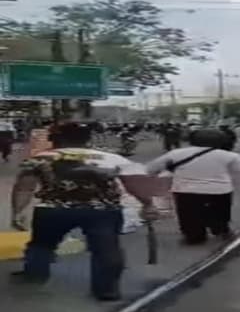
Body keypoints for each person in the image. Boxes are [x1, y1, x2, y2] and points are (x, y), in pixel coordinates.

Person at [10, 122, 156, 301]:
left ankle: (35, 276)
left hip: (53, 210)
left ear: (56, 138)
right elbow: (134, 185)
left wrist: (17, 212)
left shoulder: (40, 158)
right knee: (106, 249)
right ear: (88, 138)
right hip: (102, 211)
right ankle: (107, 290)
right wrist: (148, 204)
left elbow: (25, 188)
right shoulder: (112, 158)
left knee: (41, 246)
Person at [147, 129, 240, 245]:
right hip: (220, 190)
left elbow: (151, 168)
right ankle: (221, 230)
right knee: (220, 212)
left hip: (185, 190)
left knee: (188, 214)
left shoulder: (176, 153)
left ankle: (193, 236)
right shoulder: (230, 156)